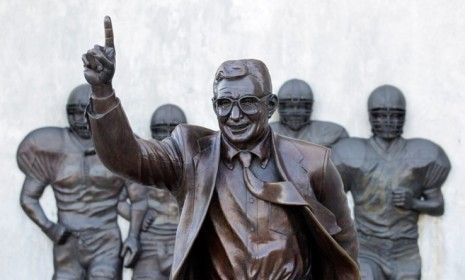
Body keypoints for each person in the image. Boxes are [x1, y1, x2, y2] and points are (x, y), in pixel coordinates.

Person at [82, 16, 359, 279]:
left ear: (270, 106)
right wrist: (103, 91)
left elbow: (342, 245)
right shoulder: (190, 153)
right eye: (224, 104)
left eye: (248, 102)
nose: (235, 116)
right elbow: (127, 158)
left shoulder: (314, 163)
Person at [17, 84, 147, 280]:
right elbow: (28, 198)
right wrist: (50, 228)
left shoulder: (120, 147)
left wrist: (133, 237)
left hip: (106, 241)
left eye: (85, 112)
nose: (80, 120)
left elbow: (139, 198)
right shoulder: (51, 148)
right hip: (68, 242)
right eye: (74, 113)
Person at [331, 85, 451, 280]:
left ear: (403, 117)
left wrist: (414, 203)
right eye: (380, 115)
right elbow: (332, 203)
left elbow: (438, 206)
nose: (388, 121)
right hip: (367, 248)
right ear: (371, 117)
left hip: (405, 250)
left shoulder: (422, 154)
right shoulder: (351, 154)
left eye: (395, 116)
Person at [118, 104, 186, 280]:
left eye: (173, 130)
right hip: (149, 242)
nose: (166, 136)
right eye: (160, 130)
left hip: (182, 241)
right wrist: (139, 217)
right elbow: (118, 202)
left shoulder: (196, 164)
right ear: (152, 132)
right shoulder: (141, 165)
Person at [270, 79, 348, 147]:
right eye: (290, 106)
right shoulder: (266, 133)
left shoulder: (332, 132)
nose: (295, 112)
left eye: (301, 106)